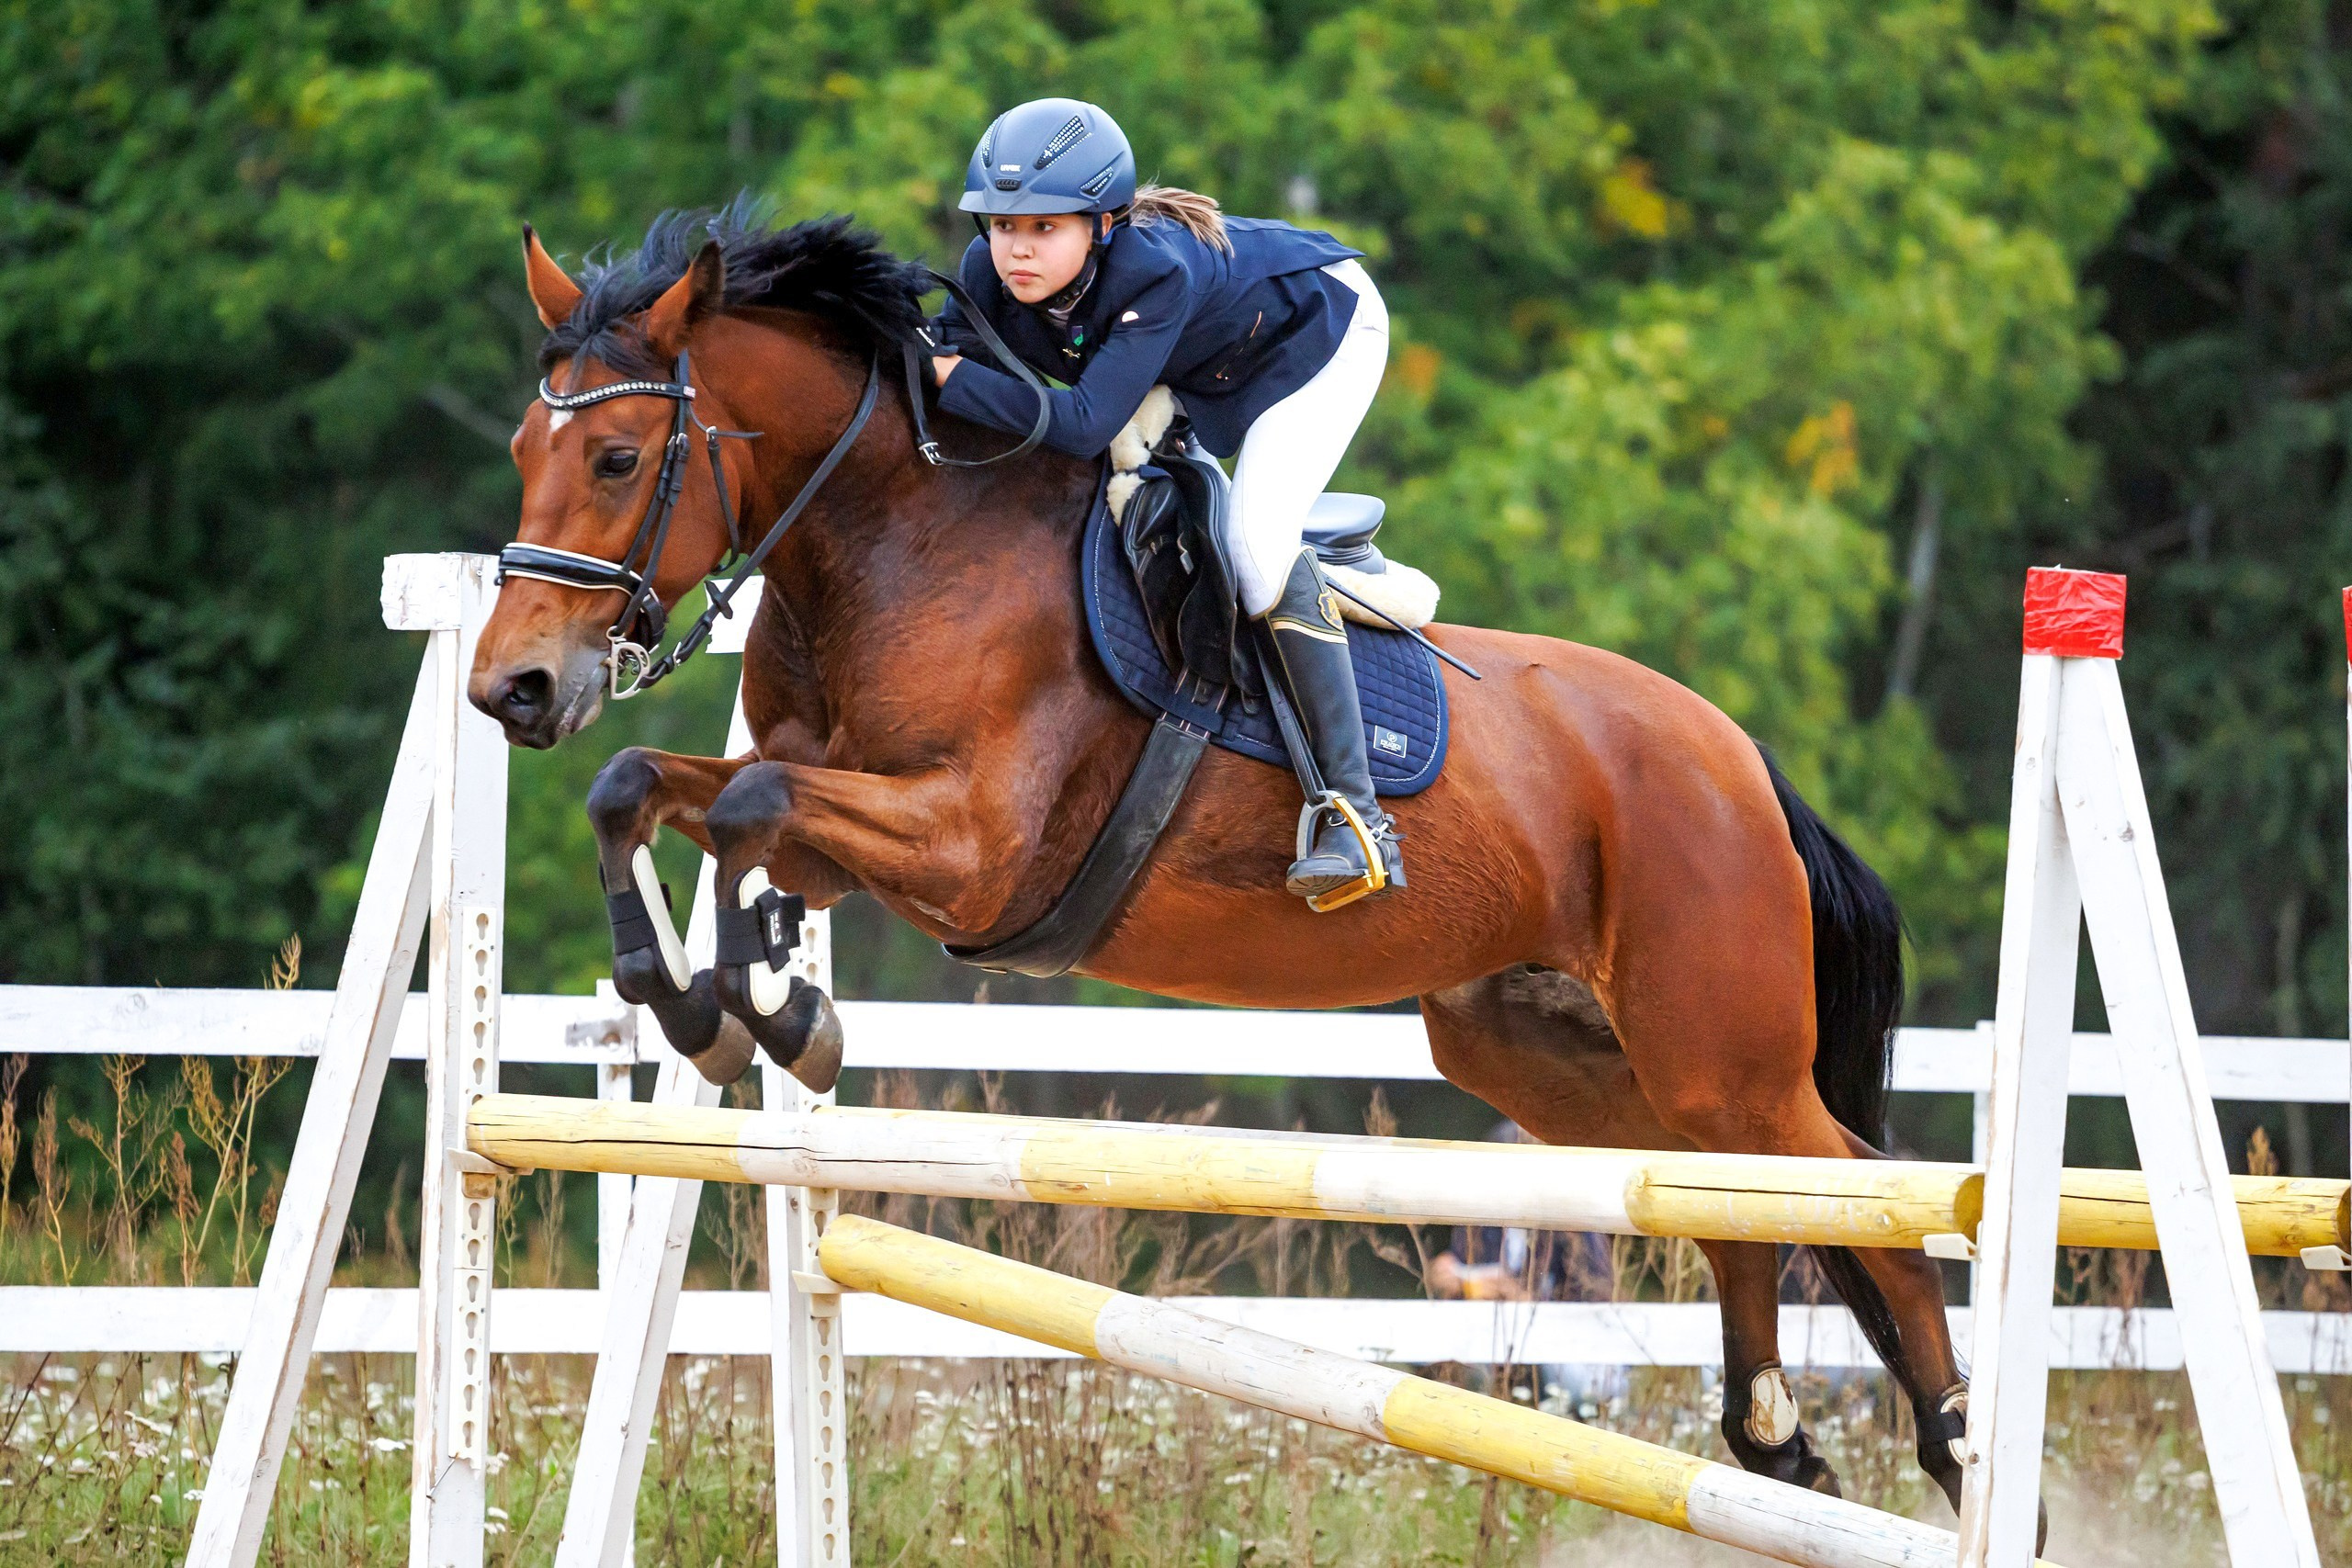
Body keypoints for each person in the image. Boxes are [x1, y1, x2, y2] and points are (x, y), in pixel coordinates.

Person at [930, 96, 1405, 906]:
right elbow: (949, 385)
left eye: (1045, 228)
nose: (1016, 248)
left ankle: (1357, 818)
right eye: (1003, 225)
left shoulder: (1157, 270)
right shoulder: (987, 275)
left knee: (1255, 550)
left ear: (1104, 223)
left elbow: (1079, 425)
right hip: (1201, 354)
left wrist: (940, 372)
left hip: (1321, 332)